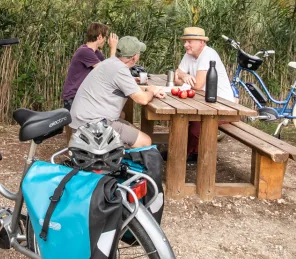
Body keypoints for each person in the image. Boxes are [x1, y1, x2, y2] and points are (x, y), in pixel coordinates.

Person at [69, 36, 166, 148]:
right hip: (92, 124)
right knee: (145, 141)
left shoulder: (111, 62)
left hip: (83, 119)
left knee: (130, 126)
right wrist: (152, 91)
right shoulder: (120, 69)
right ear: (134, 57)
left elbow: (116, 83)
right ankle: (117, 155)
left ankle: (119, 153)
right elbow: (142, 100)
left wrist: (134, 81)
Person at [174, 26, 235, 162]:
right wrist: (184, 76)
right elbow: (176, 75)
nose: (185, 45)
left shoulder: (208, 55)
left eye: (189, 42)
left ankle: (189, 154)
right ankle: (184, 151)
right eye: (185, 41)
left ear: (201, 42)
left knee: (197, 124)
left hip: (223, 105)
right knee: (183, 119)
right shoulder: (189, 54)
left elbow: (197, 85)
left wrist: (181, 79)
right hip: (204, 102)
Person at [61, 22, 118, 111]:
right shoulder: (84, 51)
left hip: (84, 96)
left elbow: (111, 69)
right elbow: (107, 71)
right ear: (99, 37)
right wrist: (113, 48)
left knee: (118, 113)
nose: (105, 40)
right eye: (105, 37)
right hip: (74, 97)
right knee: (112, 112)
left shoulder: (96, 53)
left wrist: (133, 78)